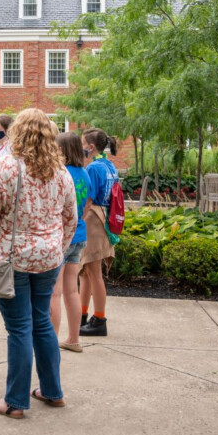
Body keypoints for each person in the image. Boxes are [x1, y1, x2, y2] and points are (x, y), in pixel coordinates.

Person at [0, 109, 77, 419]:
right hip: (49, 259)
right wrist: (58, 249)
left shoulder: (7, 169)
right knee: (41, 322)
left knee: (19, 329)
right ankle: (52, 392)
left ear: (19, 133)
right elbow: (71, 219)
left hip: (10, 259)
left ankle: (14, 401)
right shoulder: (61, 173)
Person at [49, 131, 92, 353]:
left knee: (54, 293)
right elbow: (87, 207)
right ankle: (74, 339)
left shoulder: (59, 173)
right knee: (71, 291)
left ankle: (51, 343)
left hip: (61, 237)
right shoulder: (85, 174)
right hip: (80, 235)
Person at [79, 127, 120, 337]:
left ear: (91, 147)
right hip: (104, 217)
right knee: (85, 273)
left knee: (93, 274)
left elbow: (88, 198)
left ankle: (99, 319)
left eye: (83, 143)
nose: (81, 147)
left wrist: (79, 220)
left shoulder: (93, 167)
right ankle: (83, 316)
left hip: (93, 219)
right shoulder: (109, 165)